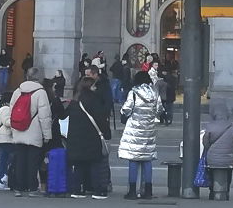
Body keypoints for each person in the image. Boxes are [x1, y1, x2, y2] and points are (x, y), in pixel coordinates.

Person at [0, 66, 55, 196]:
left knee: (20, 160)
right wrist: (47, 135)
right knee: (32, 162)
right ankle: (32, 188)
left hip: (18, 130)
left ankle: (18, 188)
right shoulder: (41, 92)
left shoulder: (17, 91)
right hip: (34, 132)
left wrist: (13, 129)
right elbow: (44, 116)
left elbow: (11, 111)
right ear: (37, 77)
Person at [65, 69, 115, 198]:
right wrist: (106, 133)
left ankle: (78, 190)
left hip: (76, 138)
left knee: (79, 164)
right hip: (91, 137)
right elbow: (100, 118)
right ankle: (97, 190)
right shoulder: (94, 100)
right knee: (95, 164)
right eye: (93, 86)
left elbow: (65, 115)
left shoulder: (75, 101)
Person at [118, 69, 163, 199]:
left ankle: (132, 190)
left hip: (134, 128)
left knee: (134, 159)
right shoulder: (155, 92)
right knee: (147, 160)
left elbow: (126, 109)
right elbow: (159, 109)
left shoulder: (134, 92)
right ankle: (147, 190)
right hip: (149, 129)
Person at [201, 103, 233, 199]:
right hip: (229, 158)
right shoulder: (232, 127)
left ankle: (212, 192)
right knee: (228, 174)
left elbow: (205, 143)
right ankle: (225, 192)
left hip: (213, 158)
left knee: (212, 173)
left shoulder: (210, 126)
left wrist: (211, 148)